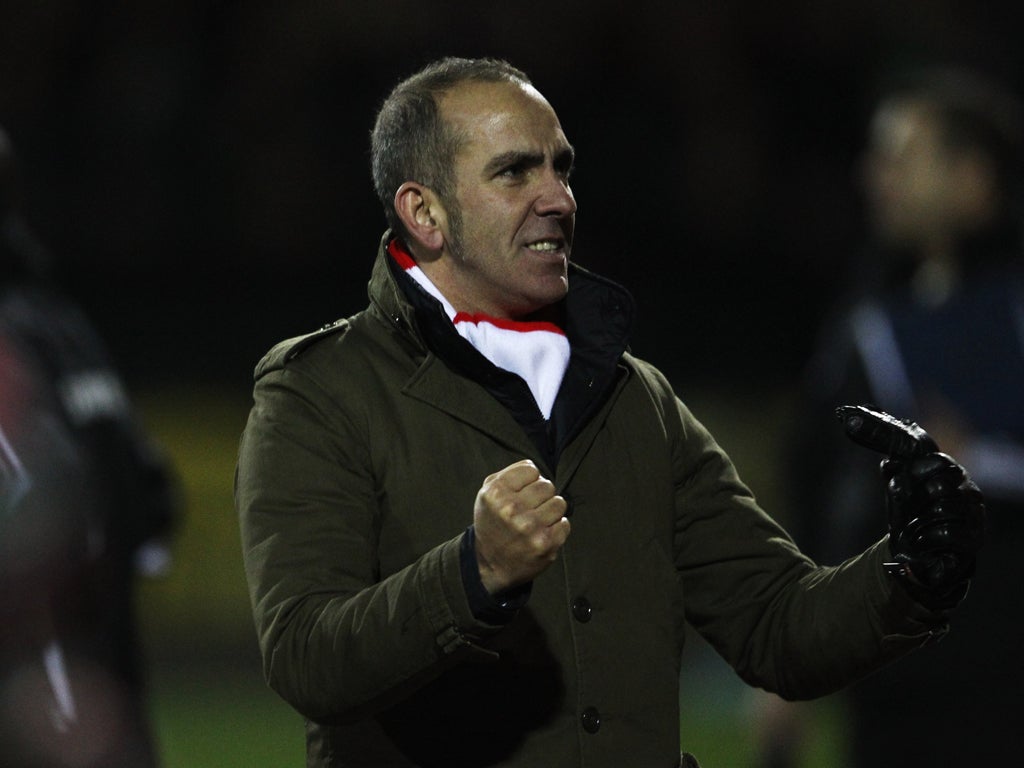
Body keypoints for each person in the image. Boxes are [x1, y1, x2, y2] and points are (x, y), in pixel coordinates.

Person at [234, 57, 986, 768]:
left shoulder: (634, 396)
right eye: (515, 171)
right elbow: (307, 658)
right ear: (424, 212)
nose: (557, 196)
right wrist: (473, 572)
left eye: (560, 166)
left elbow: (776, 624)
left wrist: (909, 572)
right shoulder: (319, 391)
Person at [752, 66, 1024, 767]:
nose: (877, 177)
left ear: (973, 178)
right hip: (896, 670)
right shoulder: (867, 317)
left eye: (902, 158)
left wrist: (982, 463)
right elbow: (821, 480)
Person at [0, 125, 178, 767]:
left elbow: (38, 528)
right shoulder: (63, 327)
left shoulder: (12, 345)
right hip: (104, 693)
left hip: (43, 704)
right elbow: (154, 500)